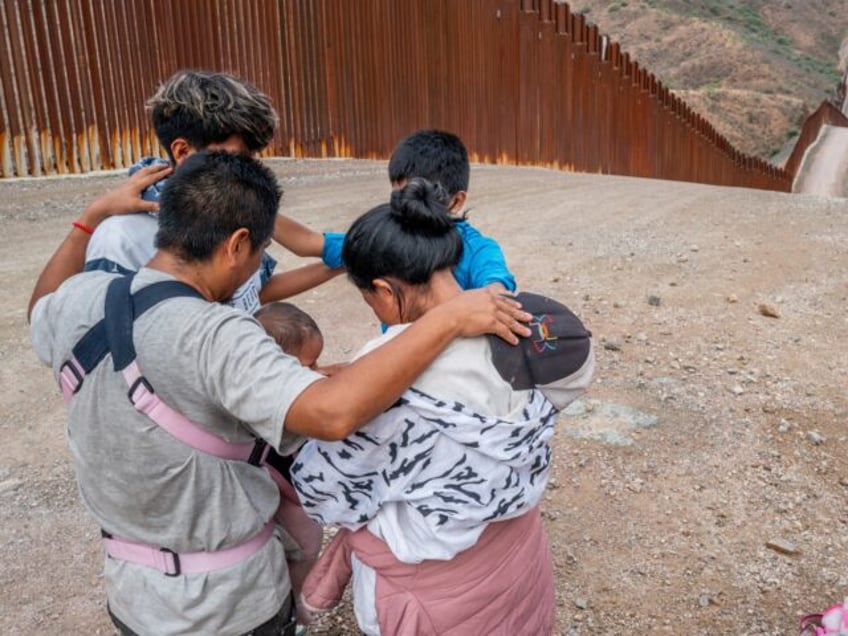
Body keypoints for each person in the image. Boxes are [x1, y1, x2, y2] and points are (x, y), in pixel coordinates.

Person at [28, 151, 531, 635]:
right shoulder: (219, 335)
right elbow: (332, 417)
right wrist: (447, 318)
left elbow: (39, 307)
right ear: (237, 244)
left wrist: (89, 219)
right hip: (227, 605)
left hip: (132, 593)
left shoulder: (82, 298)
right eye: (260, 253)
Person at [291, 178, 594, 635]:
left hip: (433, 593)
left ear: (384, 292)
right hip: (517, 559)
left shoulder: (380, 380)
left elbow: (324, 492)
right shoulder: (522, 325)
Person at [84, 69, 340, 314]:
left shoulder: (231, 203)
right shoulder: (121, 239)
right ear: (182, 151)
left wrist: (344, 264)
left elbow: (252, 292)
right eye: (235, 157)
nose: (242, 170)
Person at [289, 128, 517, 295]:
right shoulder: (383, 237)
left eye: (418, 196)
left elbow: (496, 289)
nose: (405, 207)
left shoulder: (477, 249)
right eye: (400, 196)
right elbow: (306, 242)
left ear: (457, 201)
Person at [254, 302, 326, 630]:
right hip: (288, 494)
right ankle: (296, 604)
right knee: (307, 546)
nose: (315, 372)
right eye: (308, 365)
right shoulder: (277, 403)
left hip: (278, 490)